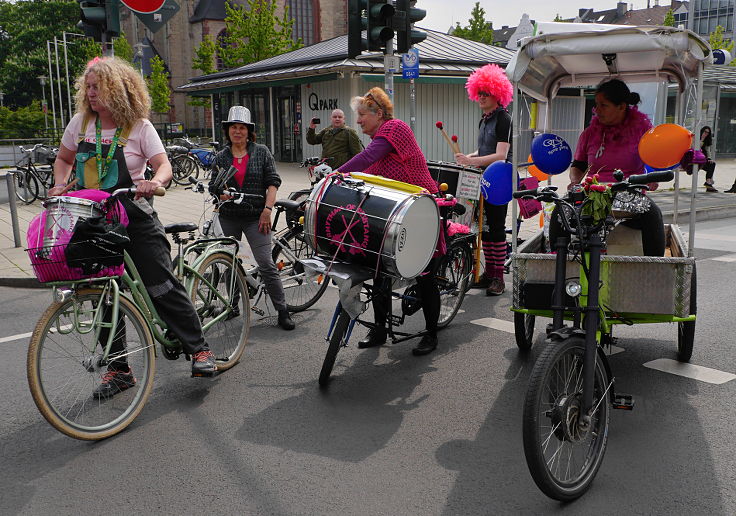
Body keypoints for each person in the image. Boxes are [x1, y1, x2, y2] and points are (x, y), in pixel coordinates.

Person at [49, 56, 216, 397]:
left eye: (98, 87)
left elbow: (163, 164)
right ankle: (119, 369)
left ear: (118, 88)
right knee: (102, 297)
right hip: (94, 221)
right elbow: (64, 159)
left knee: (160, 285)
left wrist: (154, 182)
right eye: (89, 87)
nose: (91, 93)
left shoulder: (138, 126)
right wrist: (59, 183)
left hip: (134, 218)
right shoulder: (80, 123)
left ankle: (199, 348)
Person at [338, 87, 441, 356]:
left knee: (426, 275)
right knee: (380, 269)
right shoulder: (379, 142)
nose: (358, 121)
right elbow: (367, 172)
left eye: (361, 115)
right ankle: (380, 328)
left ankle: (431, 334)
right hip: (396, 214)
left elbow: (367, 159)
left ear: (379, 114)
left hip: (421, 210)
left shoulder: (395, 129)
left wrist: (336, 173)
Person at [551, 78, 665, 256]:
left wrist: (652, 177)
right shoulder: (589, 133)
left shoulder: (643, 131)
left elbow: (656, 159)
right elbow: (578, 165)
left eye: (603, 105)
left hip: (628, 193)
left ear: (621, 106)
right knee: (561, 209)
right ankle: (556, 262)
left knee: (653, 214)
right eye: (596, 105)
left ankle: (655, 266)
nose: (597, 110)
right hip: (593, 191)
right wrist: (575, 181)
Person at [211, 105, 295, 330]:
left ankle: (282, 310)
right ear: (228, 131)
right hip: (229, 215)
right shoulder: (221, 156)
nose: (237, 131)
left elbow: (273, 182)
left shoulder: (261, 152)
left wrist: (268, 210)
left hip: (256, 215)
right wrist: (220, 191)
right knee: (230, 262)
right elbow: (214, 185)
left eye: (242, 128)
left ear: (249, 131)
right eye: (233, 128)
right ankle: (233, 305)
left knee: (266, 263)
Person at [454, 63, 514, 296]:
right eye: (478, 92)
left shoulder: (503, 119)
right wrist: (468, 157)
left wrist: (471, 162)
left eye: (485, 93)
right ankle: (489, 273)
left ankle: (498, 277)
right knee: (485, 228)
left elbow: (500, 155)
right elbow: (484, 150)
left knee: (497, 228)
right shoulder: (484, 119)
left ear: (497, 94)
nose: (480, 97)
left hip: (499, 179)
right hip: (484, 179)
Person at [699, 126, 718, 192]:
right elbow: (695, 148)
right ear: (702, 131)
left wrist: (709, 158)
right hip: (695, 158)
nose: (706, 134)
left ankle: (708, 182)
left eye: (708, 133)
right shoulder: (695, 137)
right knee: (710, 167)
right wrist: (702, 139)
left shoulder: (707, 140)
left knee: (712, 164)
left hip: (703, 159)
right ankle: (709, 184)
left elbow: (707, 151)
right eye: (705, 132)